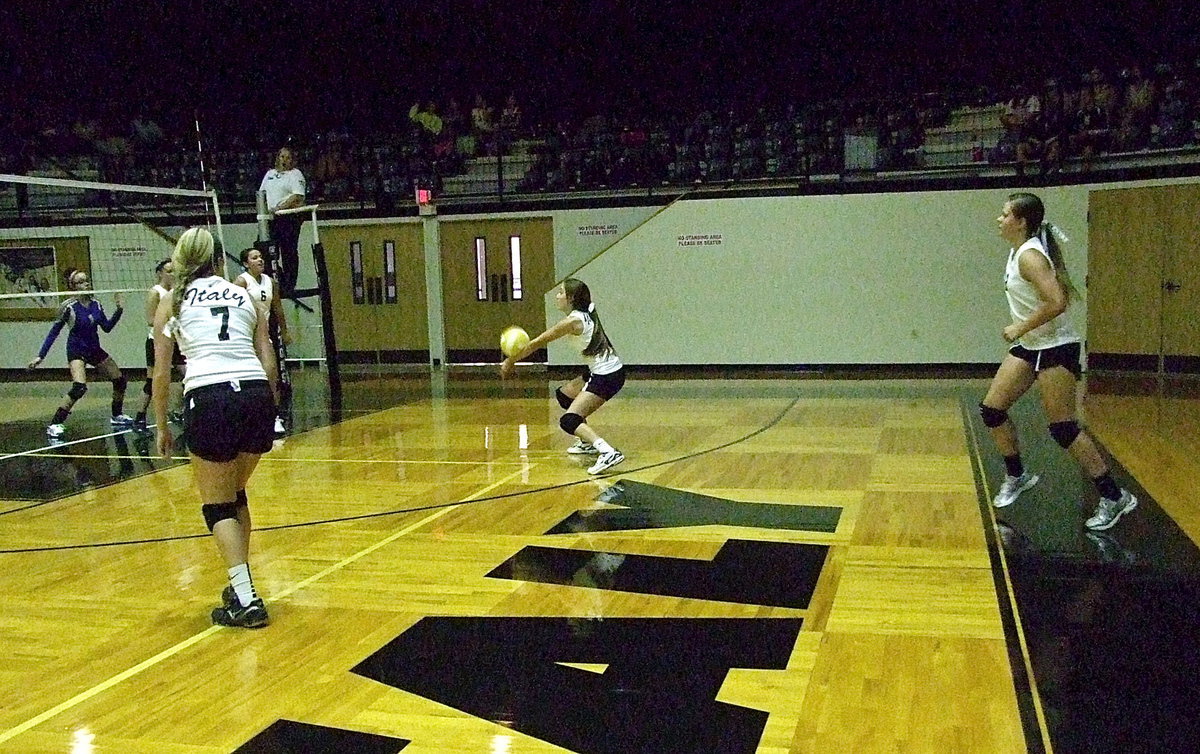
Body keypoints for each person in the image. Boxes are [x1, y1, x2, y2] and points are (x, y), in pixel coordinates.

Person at [980, 192, 1137, 531]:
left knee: (1062, 428)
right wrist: (1024, 334)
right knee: (992, 410)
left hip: (1055, 348)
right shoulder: (1018, 251)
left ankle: (1114, 497)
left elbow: (1057, 301)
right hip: (1031, 346)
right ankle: (1017, 475)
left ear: (1021, 222)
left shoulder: (1030, 257)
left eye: (1005, 214)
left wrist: (1019, 326)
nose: (999, 219)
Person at [153, 227, 277, 628]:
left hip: (210, 397)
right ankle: (240, 583)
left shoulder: (173, 300)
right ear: (219, 260)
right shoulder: (243, 294)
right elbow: (266, 354)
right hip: (255, 392)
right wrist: (271, 407)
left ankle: (246, 597)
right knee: (236, 493)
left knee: (217, 504)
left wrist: (160, 425)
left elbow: (161, 373)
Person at [500, 278, 626, 474]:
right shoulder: (584, 313)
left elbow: (536, 343)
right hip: (603, 370)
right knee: (565, 395)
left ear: (571, 298)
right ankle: (586, 442)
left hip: (606, 376)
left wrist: (511, 360)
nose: (557, 296)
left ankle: (607, 451)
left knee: (569, 421)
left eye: (561, 292)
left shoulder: (572, 322)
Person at [28, 268, 132, 439]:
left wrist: (119, 309)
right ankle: (54, 424)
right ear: (74, 286)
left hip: (94, 349)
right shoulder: (69, 307)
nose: (86, 284)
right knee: (79, 387)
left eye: (87, 280)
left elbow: (107, 328)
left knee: (120, 381)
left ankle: (117, 416)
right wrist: (41, 355)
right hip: (77, 349)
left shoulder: (96, 304)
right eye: (82, 282)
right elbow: (54, 332)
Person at [234, 247, 291, 435]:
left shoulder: (271, 282)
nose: (260, 260)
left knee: (271, 375)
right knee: (246, 380)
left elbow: (278, 309)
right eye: (254, 257)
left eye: (261, 257)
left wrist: (285, 331)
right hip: (244, 337)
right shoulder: (241, 282)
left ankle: (275, 417)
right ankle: (246, 418)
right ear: (245, 263)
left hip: (264, 335)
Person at [133, 258, 184, 431]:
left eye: (174, 271)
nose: (172, 274)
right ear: (160, 273)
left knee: (189, 374)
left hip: (175, 340)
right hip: (157, 341)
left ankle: (177, 410)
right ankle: (140, 417)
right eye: (168, 271)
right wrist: (172, 323)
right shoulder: (156, 292)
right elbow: (150, 320)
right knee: (152, 380)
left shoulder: (177, 292)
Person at [258, 146, 306, 297]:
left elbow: (298, 196)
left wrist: (280, 207)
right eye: (282, 157)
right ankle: (273, 281)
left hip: (287, 217)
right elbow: (261, 193)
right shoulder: (270, 174)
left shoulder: (295, 174)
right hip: (271, 218)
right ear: (277, 157)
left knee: (288, 252)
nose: (284, 160)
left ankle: (289, 285)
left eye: (288, 157)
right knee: (267, 250)